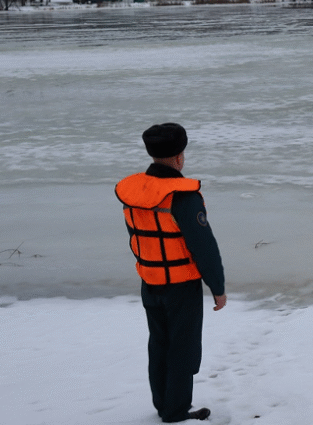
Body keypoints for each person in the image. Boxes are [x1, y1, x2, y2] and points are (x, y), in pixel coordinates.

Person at [115, 122, 226, 423]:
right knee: (183, 347)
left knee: (159, 343)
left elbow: (136, 233)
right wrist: (217, 286)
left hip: (149, 280)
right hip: (182, 285)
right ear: (179, 157)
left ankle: (163, 403)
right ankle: (176, 411)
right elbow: (203, 246)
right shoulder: (183, 196)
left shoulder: (133, 190)